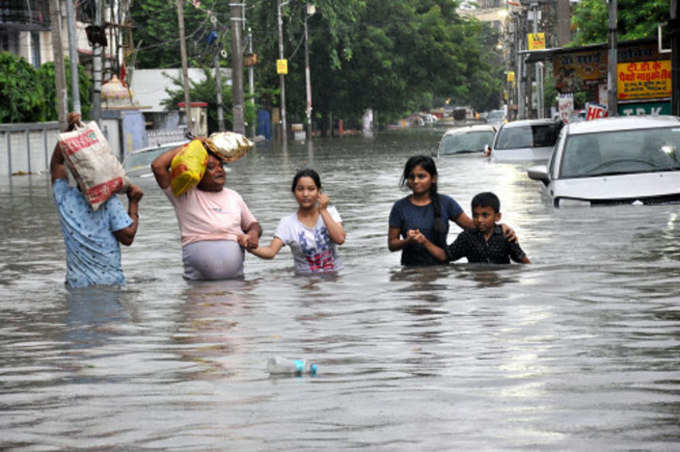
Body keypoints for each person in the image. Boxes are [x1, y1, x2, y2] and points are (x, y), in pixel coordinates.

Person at [51, 113, 144, 288]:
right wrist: (134, 202)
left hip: (76, 286)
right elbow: (128, 237)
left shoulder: (65, 199)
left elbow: (57, 164)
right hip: (110, 286)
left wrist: (69, 131)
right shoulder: (109, 202)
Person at [151, 141, 262, 280]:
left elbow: (253, 225)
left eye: (221, 166)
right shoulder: (184, 195)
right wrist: (194, 144)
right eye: (211, 167)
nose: (219, 170)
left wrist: (253, 234)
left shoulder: (234, 196)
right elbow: (158, 166)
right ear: (199, 172)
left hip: (237, 288)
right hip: (198, 290)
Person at [388, 155, 515, 266]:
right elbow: (392, 244)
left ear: (433, 178)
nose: (415, 181)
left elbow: (475, 226)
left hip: (442, 271)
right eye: (411, 177)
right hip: (410, 272)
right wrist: (408, 241)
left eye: (421, 176)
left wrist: (501, 228)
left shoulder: (446, 203)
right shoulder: (400, 207)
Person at [246, 169, 345, 273]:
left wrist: (323, 211)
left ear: (319, 192)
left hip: (334, 281)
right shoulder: (287, 223)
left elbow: (340, 239)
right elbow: (271, 252)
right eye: (300, 189)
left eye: (311, 189)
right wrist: (248, 246)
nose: (305, 194)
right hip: (304, 282)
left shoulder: (330, 213)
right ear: (294, 192)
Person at [445, 192, 530, 264]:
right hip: (477, 281)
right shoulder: (467, 237)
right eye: (475, 215)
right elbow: (446, 256)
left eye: (485, 215)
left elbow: (524, 261)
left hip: (500, 282)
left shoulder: (506, 236)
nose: (479, 220)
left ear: (497, 217)